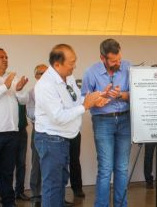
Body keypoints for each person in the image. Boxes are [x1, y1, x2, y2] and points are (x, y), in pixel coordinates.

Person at [34, 44, 108, 207]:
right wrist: (86, 106)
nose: (75, 66)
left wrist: (94, 101)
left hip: (64, 138)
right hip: (50, 140)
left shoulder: (68, 78)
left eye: (75, 61)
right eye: (71, 62)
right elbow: (58, 117)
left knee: (60, 184)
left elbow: (75, 101)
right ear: (57, 64)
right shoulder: (45, 85)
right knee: (53, 187)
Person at [81, 38, 132, 207]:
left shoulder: (128, 67)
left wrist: (120, 95)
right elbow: (84, 99)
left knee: (122, 168)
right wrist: (97, 99)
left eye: (119, 59)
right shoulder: (91, 72)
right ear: (103, 58)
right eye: (114, 61)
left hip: (125, 119)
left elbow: (137, 94)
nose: (118, 63)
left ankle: (121, 204)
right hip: (103, 121)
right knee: (105, 168)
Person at [0, 47, 28, 207]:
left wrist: (20, 89)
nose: (5, 59)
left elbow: (23, 100)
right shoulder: (6, 81)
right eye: (1, 57)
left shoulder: (12, 78)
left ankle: (8, 202)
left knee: (8, 171)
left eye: (6, 57)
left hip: (12, 133)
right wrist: (4, 86)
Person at [26, 64, 48, 206]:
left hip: (55, 131)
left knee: (54, 163)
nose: (44, 75)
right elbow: (30, 113)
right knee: (37, 163)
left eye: (47, 72)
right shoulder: (32, 92)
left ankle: (54, 194)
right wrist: (47, 112)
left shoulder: (56, 91)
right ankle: (36, 194)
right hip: (39, 129)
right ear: (36, 76)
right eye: (41, 73)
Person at [15, 103, 30, 201]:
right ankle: (1, 190)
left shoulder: (22, 94)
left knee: (21, 163)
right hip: (8, 131)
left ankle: (19, 191)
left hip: (22, 130)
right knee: (4, 164)